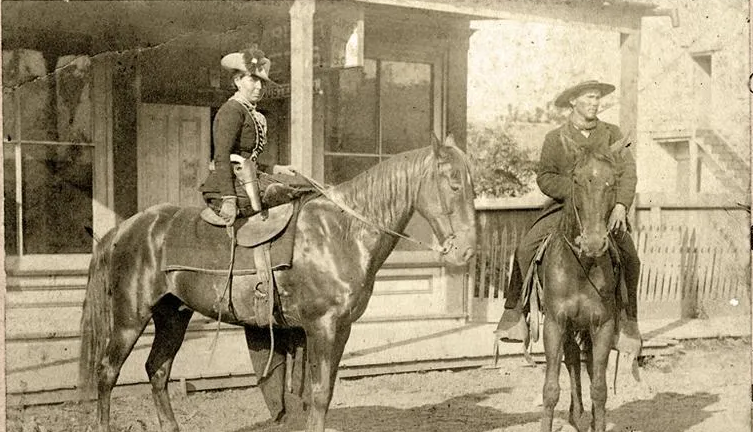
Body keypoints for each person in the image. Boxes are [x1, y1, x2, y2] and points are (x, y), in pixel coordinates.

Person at [494, 80, 642, 352]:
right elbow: (545, 177)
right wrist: (576, 192)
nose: (594, 103)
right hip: (565, 208)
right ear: (573, 101)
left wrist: (621, 204)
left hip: (605, 210)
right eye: (588, 97)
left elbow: (628, 173)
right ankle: (514, 313)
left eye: (597, 98)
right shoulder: (555, 138)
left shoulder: (613, 134)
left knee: (631, 256)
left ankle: (628, 320)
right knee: (526, 248)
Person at [200, 45, 304, 225]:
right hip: (227, 187)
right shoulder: (232, 110)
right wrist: (229, 199)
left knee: (300, 183)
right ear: (238, 81)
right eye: (253, 80)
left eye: (262, 82)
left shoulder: (249, 112)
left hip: (246, 181)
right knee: (289, 191)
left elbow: (246, 161)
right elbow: (222, 157)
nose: (259, 87)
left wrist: (275, 169)